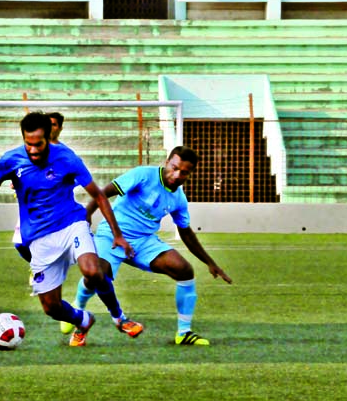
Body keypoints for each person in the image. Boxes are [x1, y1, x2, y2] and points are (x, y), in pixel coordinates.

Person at [0, 111, 144, 347]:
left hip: (71, 224)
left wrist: (117, 234)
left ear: (48, 137)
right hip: (38, 238)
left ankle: (119, 317)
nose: (34, 150)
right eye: (28, 144)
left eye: (38, 144)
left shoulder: (67, 158)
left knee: (93, 271)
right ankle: (83, 319)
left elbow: (98, 195)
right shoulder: (11, 160)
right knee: (52, 308)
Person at [61, 146, 233, 345]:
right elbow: (103, 193)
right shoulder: (143, 175)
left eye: (184, 172)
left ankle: (184, 333)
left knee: (184, 270)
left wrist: (210, 263)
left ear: (190, 174)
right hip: (112, 235)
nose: (177, 175)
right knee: (98, 275)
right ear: (167, 162)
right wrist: (88, 214)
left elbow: (186, 232)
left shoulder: (178, 199)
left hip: (143, 242)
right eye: (174, 167)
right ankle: (79, 308)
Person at [12, 112, 65, 265]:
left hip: (51, 206)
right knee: (20, 244)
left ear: (60, 128)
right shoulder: (30, 151)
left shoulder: (63, 154)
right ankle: (38, 265)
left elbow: (72, 179)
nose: (51, 128)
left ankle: (43, 269)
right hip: (30, 205)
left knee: (45, 243)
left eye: (54, 124)